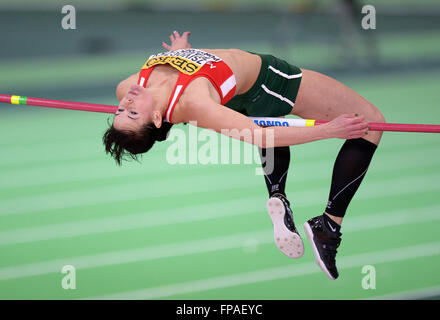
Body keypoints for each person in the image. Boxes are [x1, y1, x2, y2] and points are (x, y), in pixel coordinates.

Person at [103, 31, 385, 280]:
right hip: (267, 81)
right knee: (370, 122)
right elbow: (261, 135)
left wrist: (177, 52)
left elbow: (172, 79)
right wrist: (330, 131)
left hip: (235, 94)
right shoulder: (195, 103)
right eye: (132, 112)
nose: (125, 103)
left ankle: (278, 194)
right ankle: (329, 225)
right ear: (154, 117)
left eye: (121, 111)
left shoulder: (126, 88)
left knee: (269, 116)